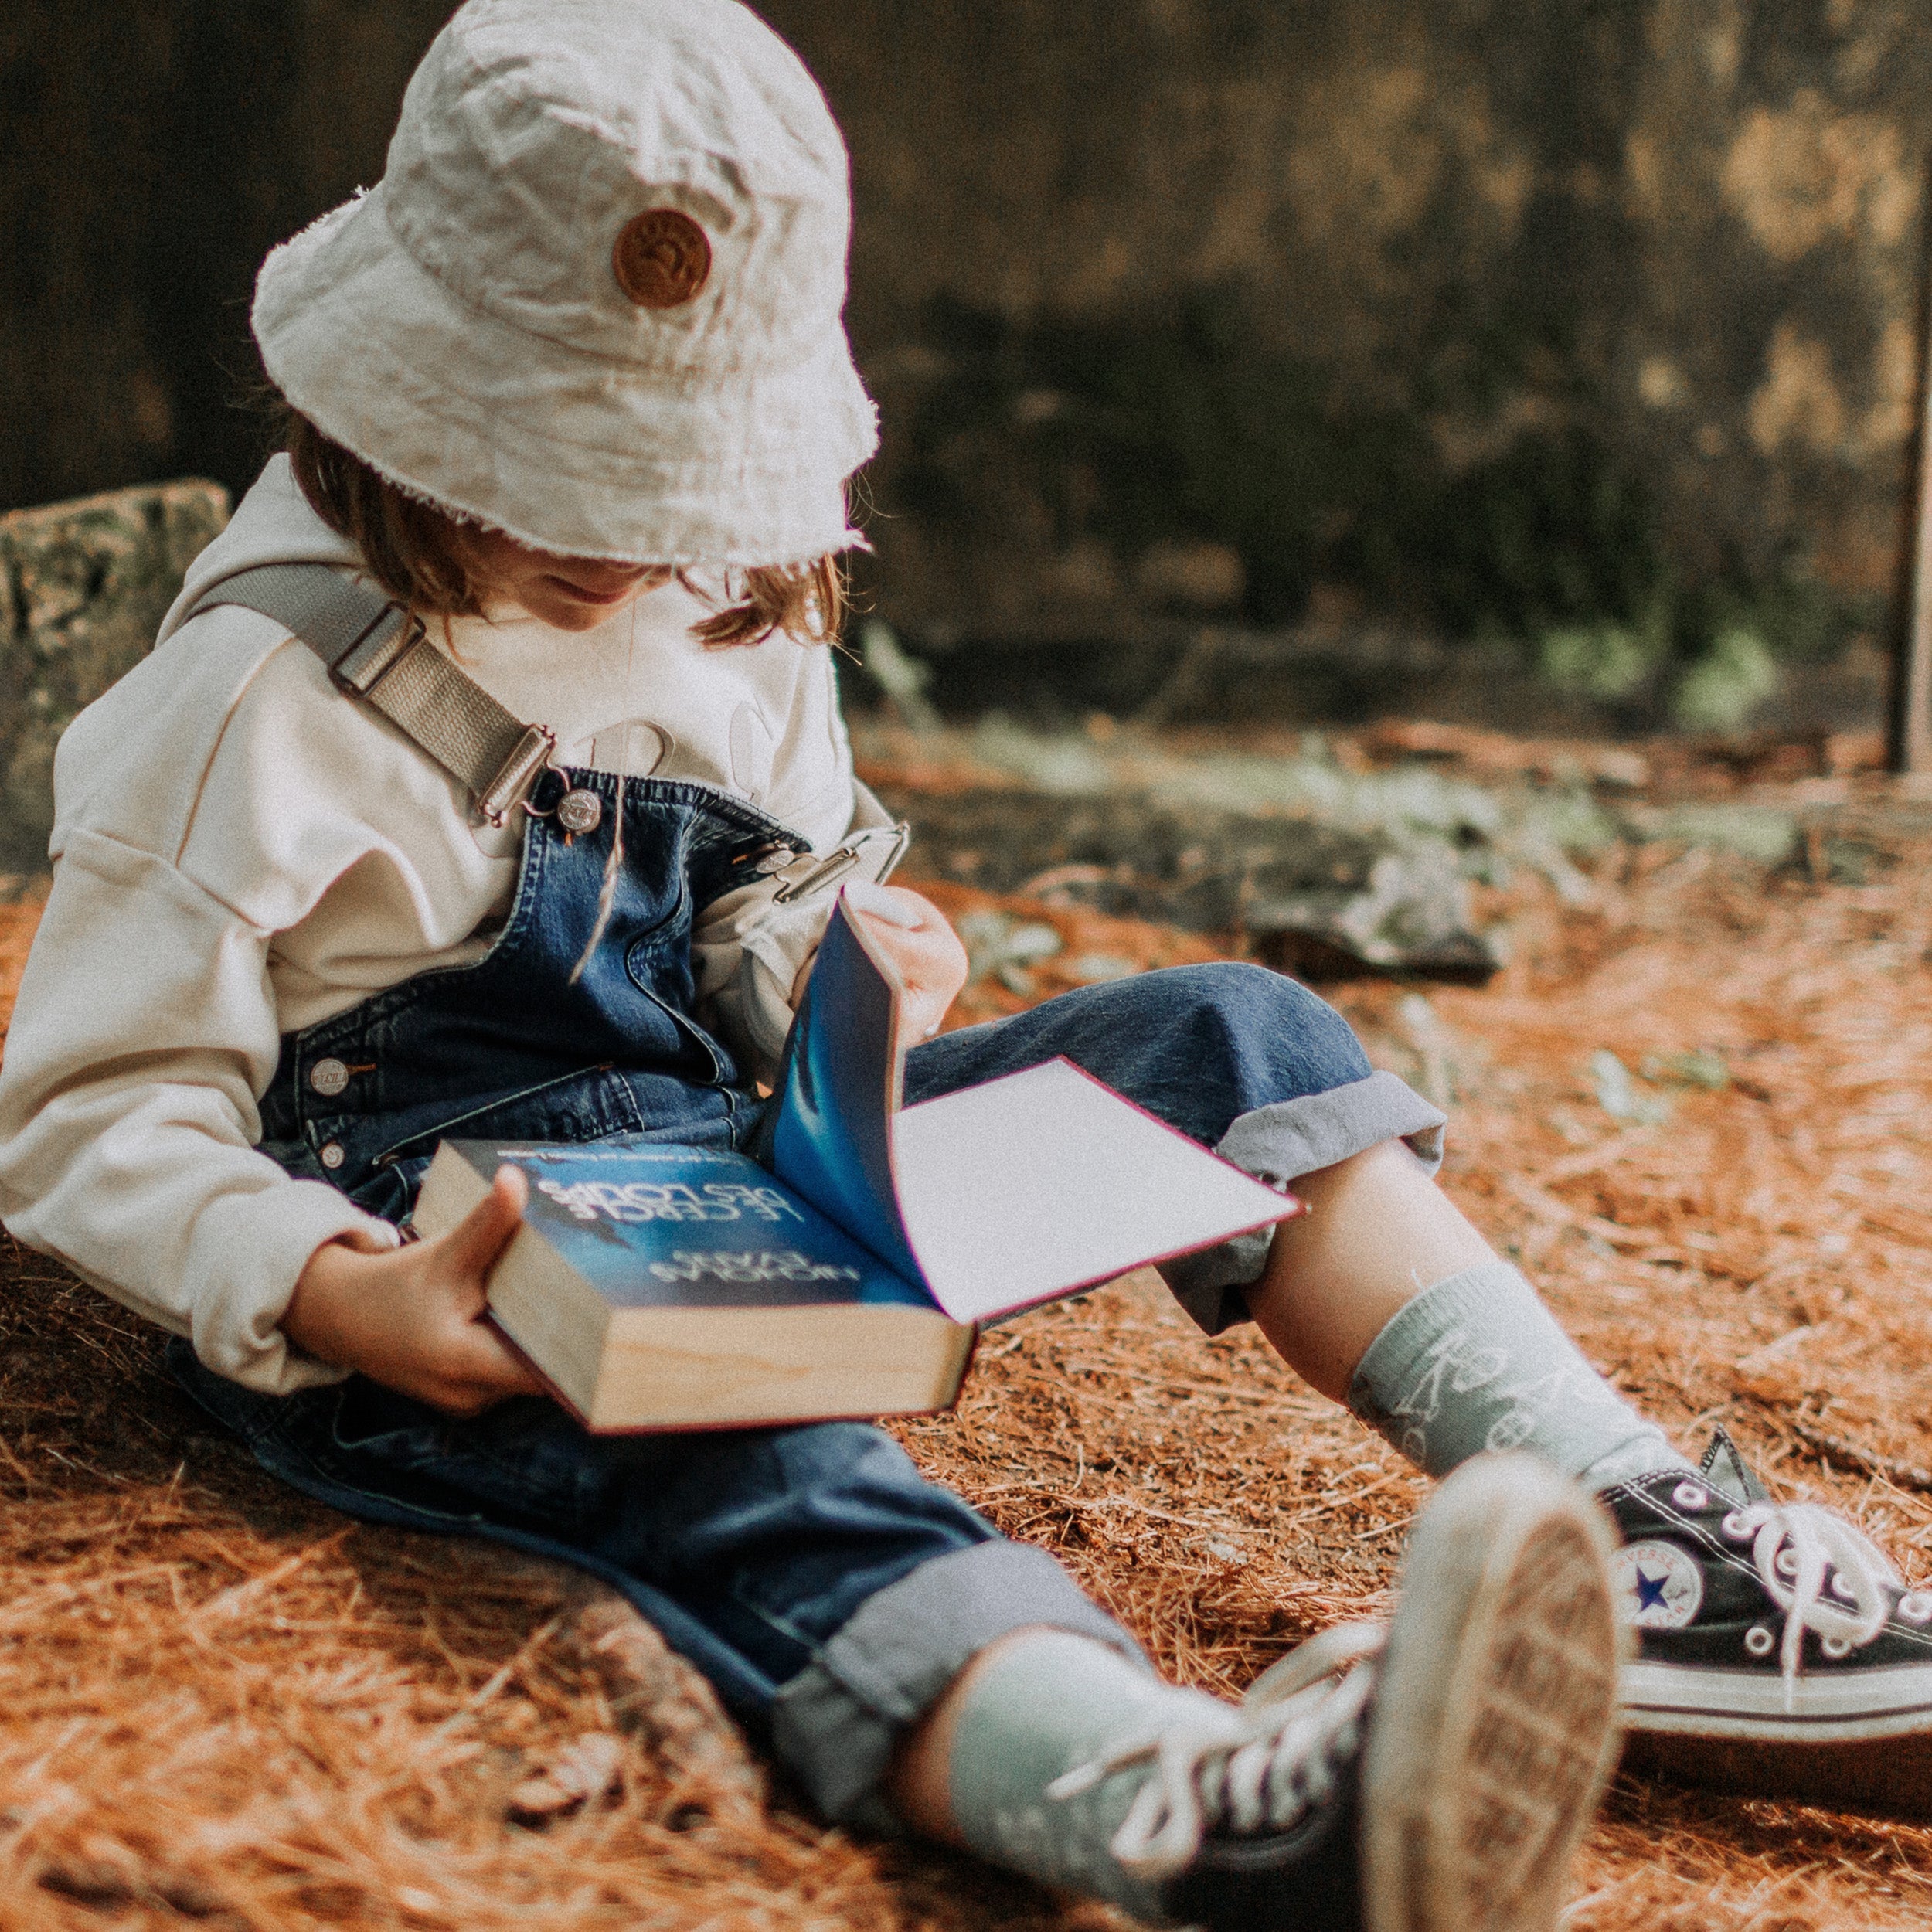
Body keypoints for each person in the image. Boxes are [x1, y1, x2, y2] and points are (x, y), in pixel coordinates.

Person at [0, 2, 1916, 1923]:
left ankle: (1642, 1537)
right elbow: (89, 1109)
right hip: (456, 1262)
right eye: (543, 479)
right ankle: (1185, 1803)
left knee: (1234, 1036)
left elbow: (752, 913)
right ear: (401, 394)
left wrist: (846, 984)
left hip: (737, 1164)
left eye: (654, 489)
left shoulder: (729, 600)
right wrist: (337, 1295)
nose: (614, 544)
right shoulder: (251, 696)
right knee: (738, 1458)